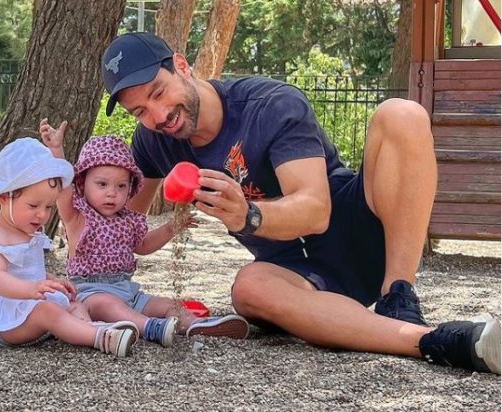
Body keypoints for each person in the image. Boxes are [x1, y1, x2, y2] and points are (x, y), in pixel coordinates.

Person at [98, 32, 501, 373]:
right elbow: (122, 222)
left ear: (182, 66)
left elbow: (315, 211)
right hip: (297, 275)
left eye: (158, 92)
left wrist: (248, 215)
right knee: (248, 289)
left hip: (358, 228)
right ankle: (437, 341)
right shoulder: (154, 141)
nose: (158, 115)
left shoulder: (270, 104)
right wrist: (87, 270)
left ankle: (399, 295)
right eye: (140, 111)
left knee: (402, 113)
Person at [38, 122, 249, 347]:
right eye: (102, 184)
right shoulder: (77, 216)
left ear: (130, 187)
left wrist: (171, 228)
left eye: (121, 186)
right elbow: (63, 187)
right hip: (91, 292)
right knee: (109, 305)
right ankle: (151, 327)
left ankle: (195, 324)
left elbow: (144, 245)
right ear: (82, 183)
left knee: (169, 305)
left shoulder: (128, 220)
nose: (112, 193)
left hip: (128, 290)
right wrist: (56, 150)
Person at [0, 137, 136, 357]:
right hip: (4, 321)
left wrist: (52, 280)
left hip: (31, 307)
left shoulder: (28, 232)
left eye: (48, 207)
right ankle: (99, 337)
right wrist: (31, 289)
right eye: (33, 205)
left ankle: (88, 328)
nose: (42, 215)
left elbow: (28, 270)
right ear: (3, 197)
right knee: (47, 311)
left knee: (75, 303)